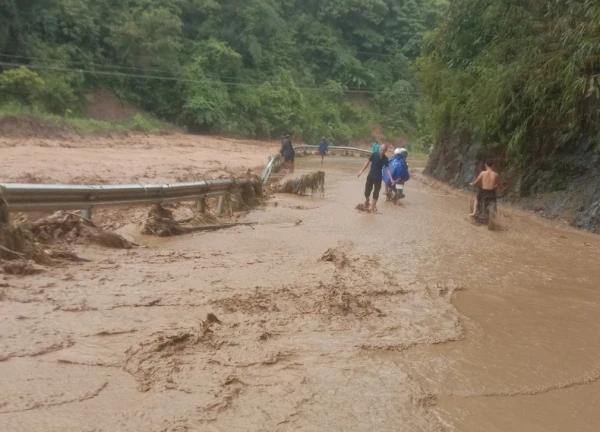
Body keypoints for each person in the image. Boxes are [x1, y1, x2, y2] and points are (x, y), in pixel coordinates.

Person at [357, 144, 394, 213]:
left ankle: (372, 208)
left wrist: (391, 178)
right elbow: (367, 162)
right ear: (380, 149)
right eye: (381, 149)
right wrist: (361, 171)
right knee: (366, 192)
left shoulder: (385, 159)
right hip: (370, 176)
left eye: (383, 150)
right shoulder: (374, 155)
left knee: (376, 193)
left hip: (378, 178)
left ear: (385, 151)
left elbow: (387, 169)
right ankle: (367, 200)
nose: (382, 151)